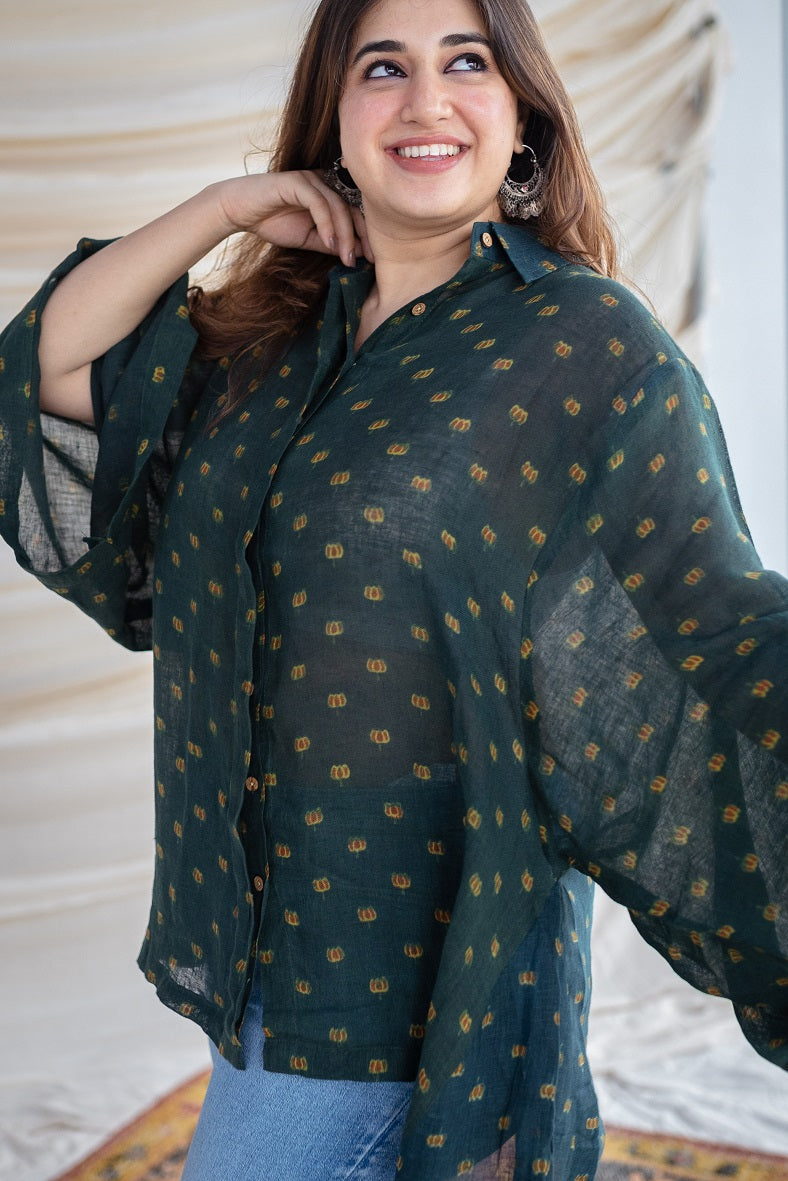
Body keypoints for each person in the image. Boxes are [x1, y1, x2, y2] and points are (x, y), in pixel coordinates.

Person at [1, 0, 786, 1177]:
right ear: (334, 116)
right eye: (382, 68)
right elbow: (42, 374)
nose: (425, 101)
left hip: (415, 978)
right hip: (249, 941)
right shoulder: (268, 339)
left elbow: (712, 624)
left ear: (519, 115)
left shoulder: (583, 343)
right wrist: (223, 209)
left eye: (465, 62)